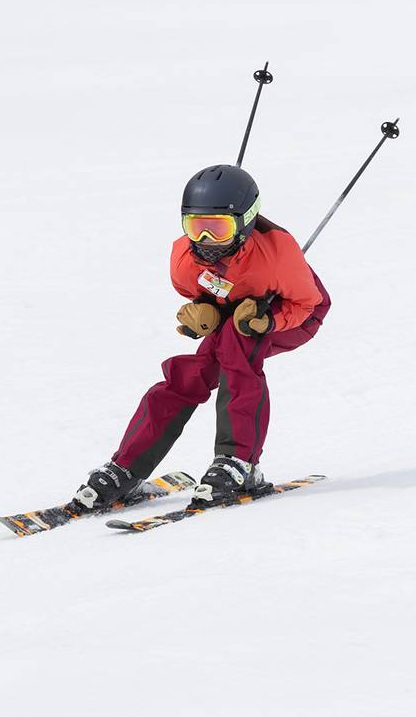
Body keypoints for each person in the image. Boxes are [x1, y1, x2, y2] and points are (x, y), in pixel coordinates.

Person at [69, 164, 329, 510]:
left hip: (294, 313)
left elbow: (306, 303)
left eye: (218, 229)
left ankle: (239, 463)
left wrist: (267, 321)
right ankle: (126, 468)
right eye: (196, 227)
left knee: (239, 349)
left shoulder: (279, 255)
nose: (205, 242)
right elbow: (206, 291)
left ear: (246, 223)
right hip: (236, 311)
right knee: (188, 376)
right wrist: (203, 313)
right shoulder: (183, 258)